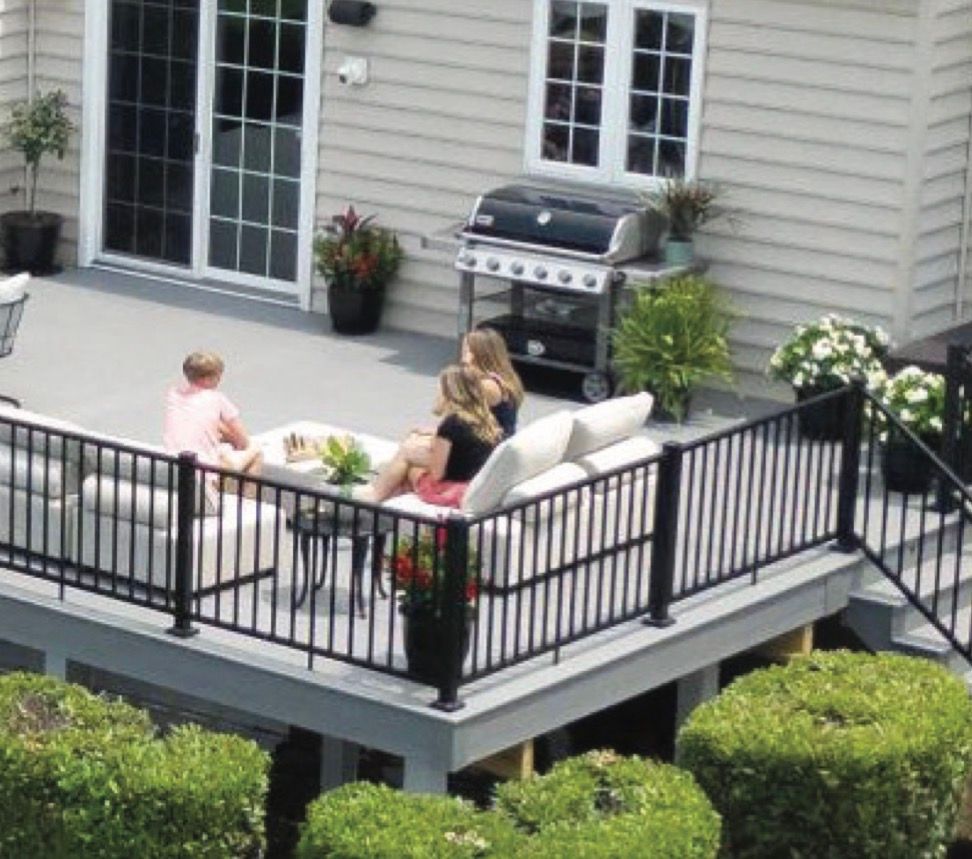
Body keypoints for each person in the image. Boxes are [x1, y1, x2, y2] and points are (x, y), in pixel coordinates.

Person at [358, 364, 501, 506]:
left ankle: (375, 498)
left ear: (450, 393)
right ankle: (384, 501)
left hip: (449, 491)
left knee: (409, 465)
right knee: (411, 453)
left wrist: (421, 457)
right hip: (469, 484)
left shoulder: (452, 424)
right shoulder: (487, 420)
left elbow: (437, 474)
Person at [163, 351, 262, 481]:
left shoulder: (173, 394)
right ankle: (247, 501)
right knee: (256, 452)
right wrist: (230, 438)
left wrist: (222, 435)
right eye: (218, 376)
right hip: (202, 472)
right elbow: (243, 442)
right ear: (209, 378)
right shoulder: (218, 399)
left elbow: (200, 424)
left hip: (173, 464)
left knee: (222, 455)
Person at [462, 327, 524, 439]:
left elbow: (457, 418)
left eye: (466, 351)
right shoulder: (506, 378)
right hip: (498, 441)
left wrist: (466, 368)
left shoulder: (487, 386)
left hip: (489, 447)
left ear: (477, 355)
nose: (463, 357)